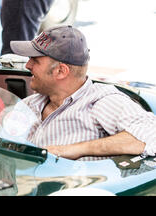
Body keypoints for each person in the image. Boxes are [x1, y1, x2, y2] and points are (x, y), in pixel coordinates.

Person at [10, 25, 156, 161]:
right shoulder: (29, 104)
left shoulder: (99, 101)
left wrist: (73, 150)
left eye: (35, 60)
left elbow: (151, 134)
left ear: (61, 71)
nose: (28, 65)